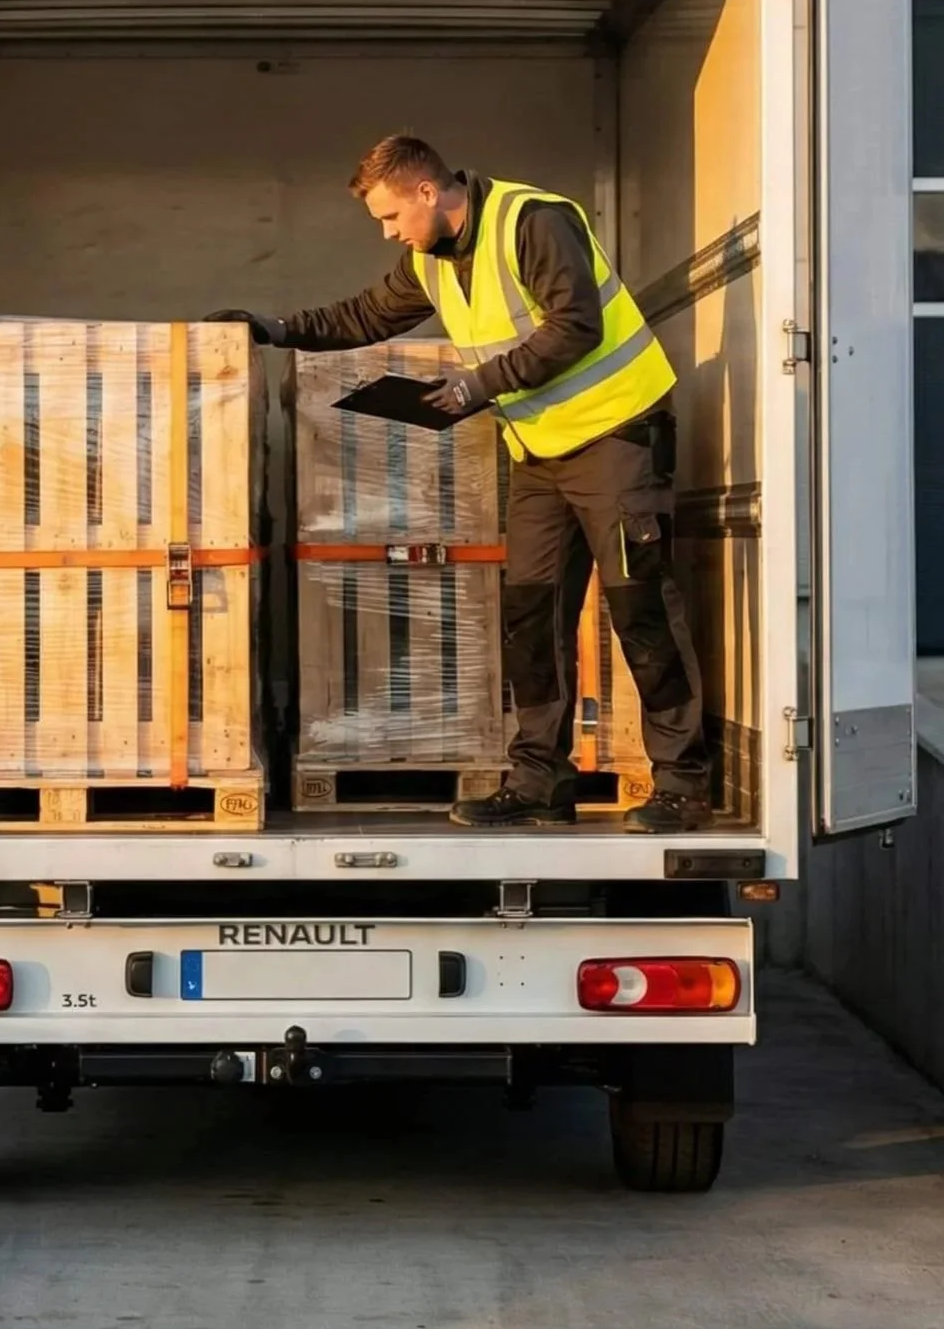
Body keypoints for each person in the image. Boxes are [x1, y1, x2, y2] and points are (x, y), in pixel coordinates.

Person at [211, 133, 712, 833]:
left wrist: (480, 384)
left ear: (427, 191)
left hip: (617, 436)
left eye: (391, 216)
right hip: (539, 450)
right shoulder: (432, 258)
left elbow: (576, 324)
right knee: (532, 615)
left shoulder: (534, 220)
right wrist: (274, 327)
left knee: (640, 609)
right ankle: (540, 781)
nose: (389, 233)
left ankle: (683, 784)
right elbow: (364, 315)